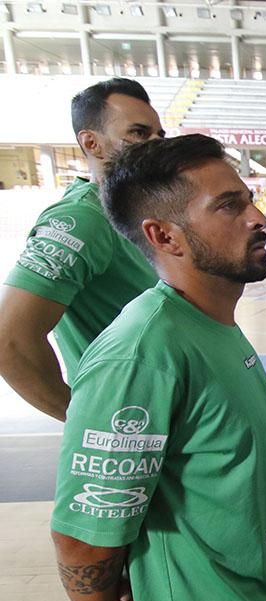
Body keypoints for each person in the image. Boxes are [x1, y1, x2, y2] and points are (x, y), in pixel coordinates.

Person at [50, 134, 266, 601]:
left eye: (248, 199)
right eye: (230, 205)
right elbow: (83, 540)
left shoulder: (211, 325)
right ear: (164, 235)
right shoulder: (141, 353)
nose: (257, 217)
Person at [0, 78, 163, 422]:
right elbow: (10, 341)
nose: (154, 145)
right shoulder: (82, 220)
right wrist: (85, 419)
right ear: (92, 143)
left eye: (158, 136)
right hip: (127, 425)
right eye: (138, 133)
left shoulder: (135, 216)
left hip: (160, 416)